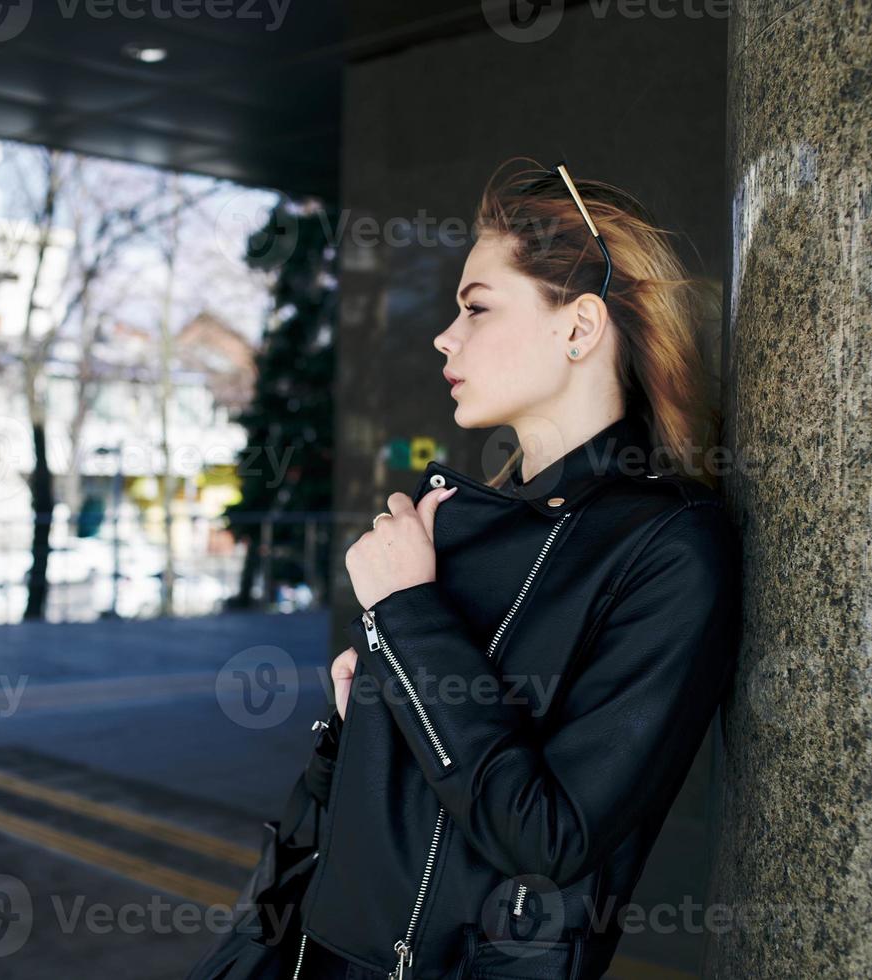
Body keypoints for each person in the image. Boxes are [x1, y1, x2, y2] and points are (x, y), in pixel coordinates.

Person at [285, 158, 742, 980]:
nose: (445, 337)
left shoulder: (670, 547)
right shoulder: (461, 523)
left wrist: (410, 614)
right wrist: (358, 728)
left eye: (476, 308)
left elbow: (549, 836)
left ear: (579, 327)